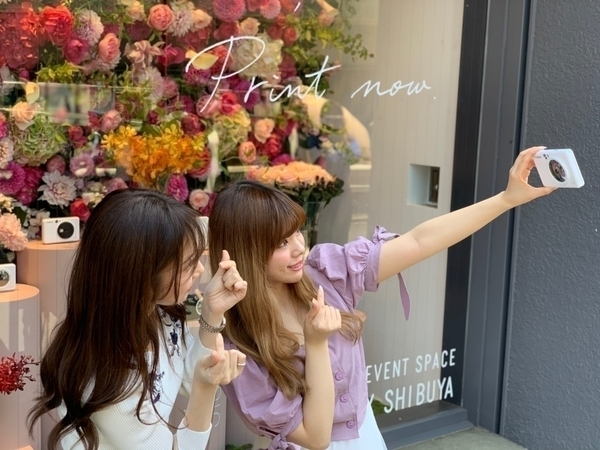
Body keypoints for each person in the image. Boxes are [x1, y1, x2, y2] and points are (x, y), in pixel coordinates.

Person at [198, 147, 555, 450]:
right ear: (248, 252)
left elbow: (419, 242)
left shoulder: (326, 272)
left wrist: (506, 198)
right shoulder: (237, 343)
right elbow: (315, 438)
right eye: (280, 243)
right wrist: (316, 343)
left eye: (296, 233)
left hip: (366, 436)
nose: (297, 248)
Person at [27, 188, 248, 450]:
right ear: (142, 273)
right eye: (188, 263)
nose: (200, 269)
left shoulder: (157, 315)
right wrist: (206, 386)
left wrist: (212, 311)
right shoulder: (110, 378)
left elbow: (188, 377)